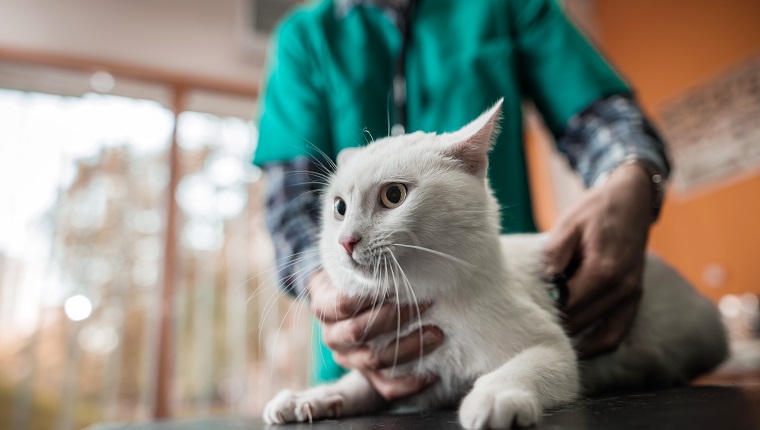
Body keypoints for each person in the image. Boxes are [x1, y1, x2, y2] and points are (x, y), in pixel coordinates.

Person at [253, 0, 670, 400]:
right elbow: (292, 208)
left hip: (500, 323)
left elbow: (601, 118)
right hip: (365, 354)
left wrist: (630, 175)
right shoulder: (304, 38)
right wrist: (324, 287)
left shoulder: (508, 4)